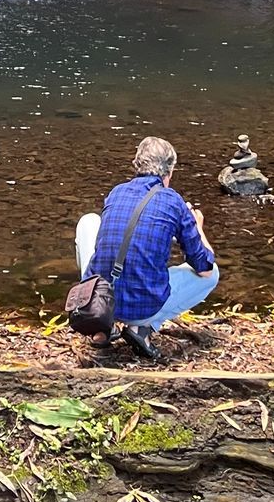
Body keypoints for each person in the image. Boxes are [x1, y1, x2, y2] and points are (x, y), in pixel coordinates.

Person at [74, 136, 218, 360]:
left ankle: (103, 324)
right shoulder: (173, 201)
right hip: (143, 308)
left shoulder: (117, 192)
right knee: (213, 274)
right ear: (168, 172)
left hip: (100, 299)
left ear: (136, 165)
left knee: (88, 222)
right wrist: (197, 226)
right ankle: (142, 328)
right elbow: (204, 267)